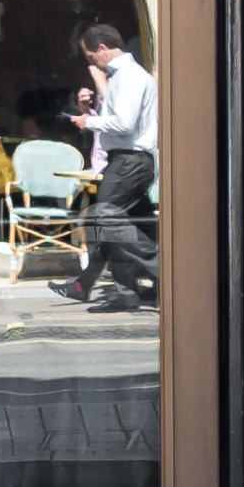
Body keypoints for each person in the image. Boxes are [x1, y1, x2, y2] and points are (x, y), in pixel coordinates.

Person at [55, 19, 159, 310]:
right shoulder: (122, 77)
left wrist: (89, 122)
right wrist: (91, 110)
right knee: (120, 225)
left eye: (90, 57)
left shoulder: (129, 77)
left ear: (102, 48)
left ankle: (160, 263)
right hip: (129, 160)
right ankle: (110, 290)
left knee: (102, 219)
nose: (91, 63)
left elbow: (124, 124)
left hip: (129, 161)